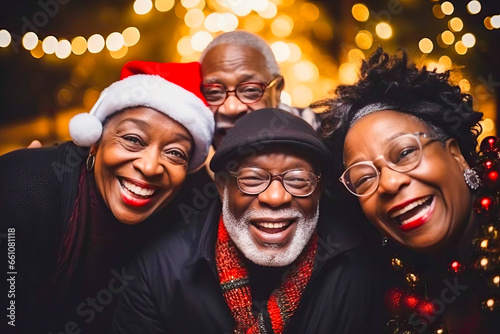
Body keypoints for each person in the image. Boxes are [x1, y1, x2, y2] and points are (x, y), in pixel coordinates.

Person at [112, 108, 384, 334]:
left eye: (298, 180)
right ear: (222, 188)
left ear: (319, 190)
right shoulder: (157, 272)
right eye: (252, 179)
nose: (275, 198)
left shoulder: (359, 266)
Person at [0, 61, 214, 333]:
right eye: (134, 139)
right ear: (95, 140)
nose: (149, 167)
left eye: (175, 153)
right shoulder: (26, 186)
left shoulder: (186, 214)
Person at [317, 48, 499, 333]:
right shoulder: (385, 305)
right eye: (364, 179)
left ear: (456, 156)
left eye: (403, 153)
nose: (389, 184)